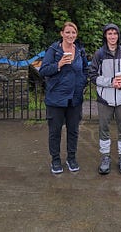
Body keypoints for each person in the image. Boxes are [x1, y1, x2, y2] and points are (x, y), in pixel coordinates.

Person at [39, 22, 88, 174]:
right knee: (55, 131)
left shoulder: (80, 50)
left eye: (73, 33)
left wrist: (82, 83)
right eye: (67, 32)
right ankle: (55, 160)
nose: (70, 35)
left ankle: (71, 158)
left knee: (73, 130)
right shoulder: (54, 50)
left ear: (76, 35)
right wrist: (59, 64)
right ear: (62, 34)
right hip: (56, 99)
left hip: (75, 98)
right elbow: (43, 70)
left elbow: (85, 69)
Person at [89, 23, 121, 175]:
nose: (112, 36)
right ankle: (105, 157)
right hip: (104, 99)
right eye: (109, 33)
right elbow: (92, 75)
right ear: (105, 36)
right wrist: (110, 82)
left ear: (118, 36)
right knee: (104, 130)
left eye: (114, 33)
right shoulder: (99, 54)